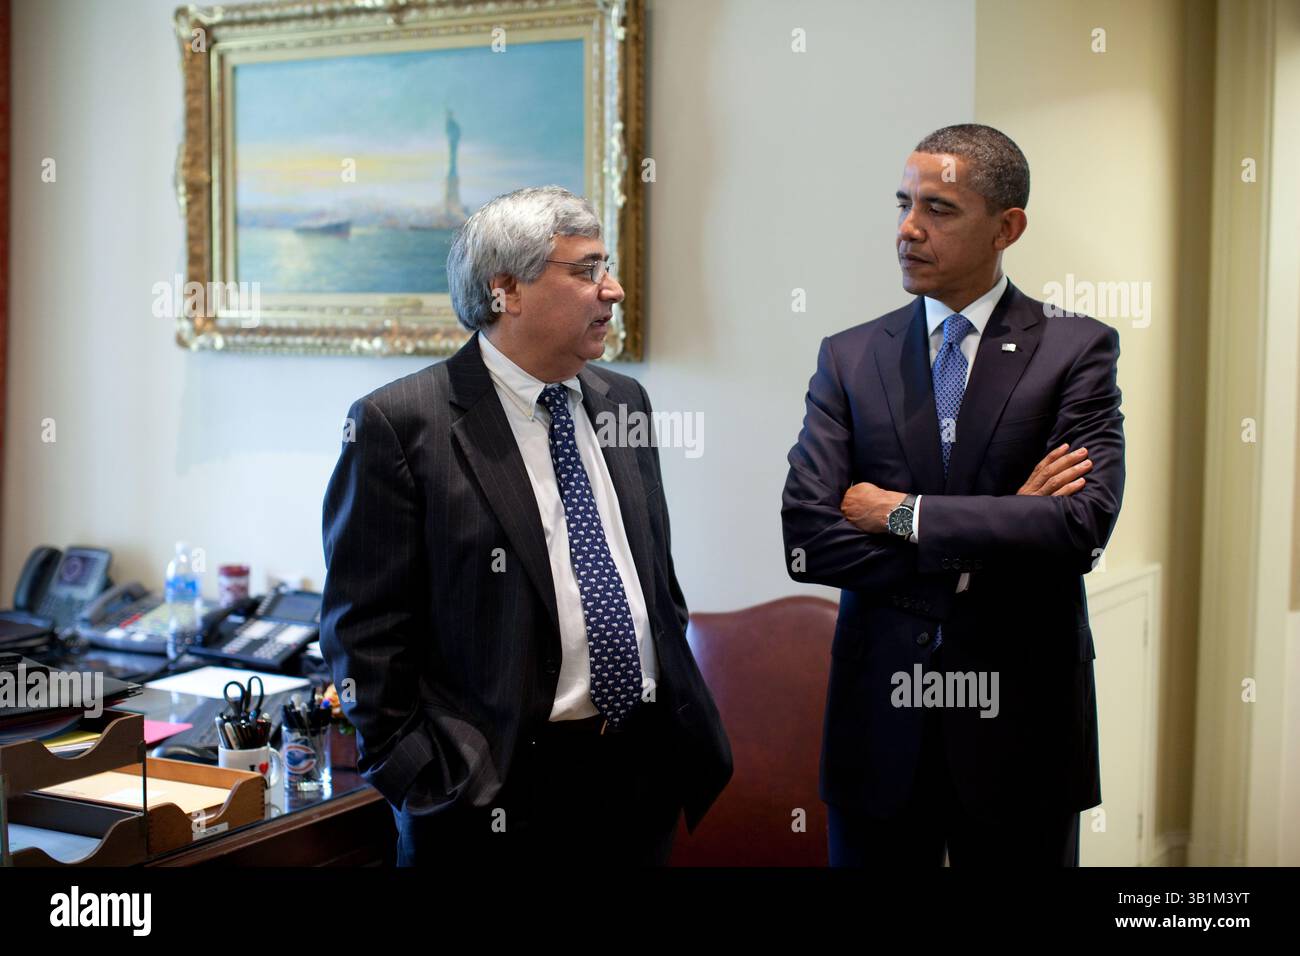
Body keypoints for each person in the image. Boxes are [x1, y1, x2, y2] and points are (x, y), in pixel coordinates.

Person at [321, 185, 731, 866]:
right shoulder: (400, 424)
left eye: (607, 267)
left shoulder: (623, 400)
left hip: (638, 771)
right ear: (506, 290)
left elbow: (653, 580)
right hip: (492, 793)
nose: (614, 290)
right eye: (587, 271)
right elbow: (362, 633)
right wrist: (421, 777)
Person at [782, 124, 1125, 866]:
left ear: (1008, 228)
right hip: (879, 724)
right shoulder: (849, 357)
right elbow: (807, 540)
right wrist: (998, 533)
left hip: (1022, 728)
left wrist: (902, 514)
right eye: (904, 204)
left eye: (938, 209)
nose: (908, 229)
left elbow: (1079, 528)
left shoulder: (1076, 350)